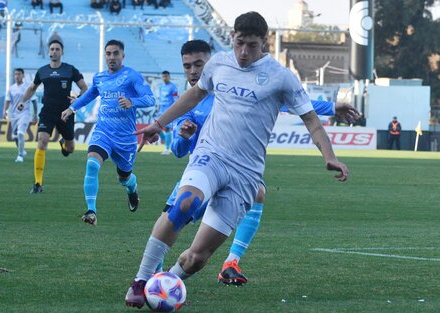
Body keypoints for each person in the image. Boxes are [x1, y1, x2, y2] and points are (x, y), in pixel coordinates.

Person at [125, 12, 349, 308]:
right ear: (232, 37)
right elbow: (194, 95)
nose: (243, 52)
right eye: (239, 43)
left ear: (264, 43)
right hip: (211, 155)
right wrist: (159, 123)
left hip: (245, 175)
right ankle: (141, 281)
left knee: (198, 257)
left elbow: (310, 119)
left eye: (251, 46)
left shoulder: (281, 77)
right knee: (185, 204)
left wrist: (329, 156)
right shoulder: (219, 63)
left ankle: (168, 281)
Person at [158, 40, 359, 285]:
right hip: (201, 176)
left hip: (235, 173)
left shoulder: (236, 85)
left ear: (211, 62)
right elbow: (178, 151)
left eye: (199, 64)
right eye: (187, 66)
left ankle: (231, 262)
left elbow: (293, 103)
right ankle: (153, 283)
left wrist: (331, 107)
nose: (193, 71)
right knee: (170, 227)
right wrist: (182, 136)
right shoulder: (190, 102)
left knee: (258, 191)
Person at [61, 39, 155, 226]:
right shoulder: (100, 77)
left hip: (125, 138)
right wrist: (73, 108)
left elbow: (150, 98)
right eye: (108, 53)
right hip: (103, 132)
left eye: (115, 53)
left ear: (123, 56)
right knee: (92, 165)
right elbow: (90, 94)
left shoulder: (132, 76)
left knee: (124, 178)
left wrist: (132, 101)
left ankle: (132, 188)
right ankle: (91, 211)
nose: (111, 57)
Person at [18, 39, 88, 194]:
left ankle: (64, 143)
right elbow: (32, 88)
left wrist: (78, 98)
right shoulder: (42, 71)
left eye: (57, 49)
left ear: (62, 52)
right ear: (48, 52)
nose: (54, 51)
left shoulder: (70, 70)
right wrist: (23, 101)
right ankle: (38, 183)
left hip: (66, 113)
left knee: (70, 149)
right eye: (52, 49)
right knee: (42, 142)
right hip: (48, 112)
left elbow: (84, 87)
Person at [3, 68, 38, 163]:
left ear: (23, 75)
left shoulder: (28, 87)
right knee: (15, 136)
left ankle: (20, 155)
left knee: (20, 133)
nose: (17, 76)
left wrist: (35, 115)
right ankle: (22, 150)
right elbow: (7, 100)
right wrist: (4, 111)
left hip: (25, 113)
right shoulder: (11, 88)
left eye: (19, 74)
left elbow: (34, 101)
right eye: (15, 74)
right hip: (14, 115)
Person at [157, 70, 178, 155]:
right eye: (163, 76)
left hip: (169, 110)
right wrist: (158, 108)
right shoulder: (161, 86)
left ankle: (167, 148)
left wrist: (174, 110)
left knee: (167, 128)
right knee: (157, 128)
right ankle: (168, 141)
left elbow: (176, 99)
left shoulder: (173, 87)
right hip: (161, 110)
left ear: (169, 77)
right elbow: (160, 98)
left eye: (166, 76)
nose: (164, 78)